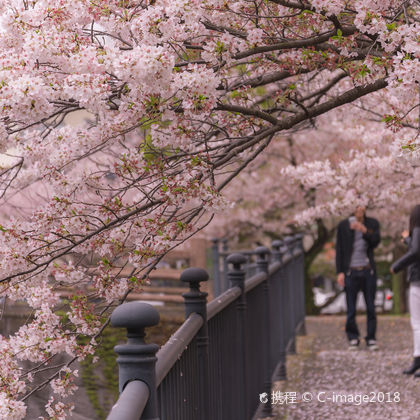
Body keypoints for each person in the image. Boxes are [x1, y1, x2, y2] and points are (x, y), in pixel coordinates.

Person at [336, 205, 381, 350]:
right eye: (356, 207)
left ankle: (371, 338)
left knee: (371, 307)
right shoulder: (343, 226)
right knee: (351, 308)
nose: (359, 210)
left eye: (361, 207)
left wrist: (364, 230)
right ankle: (353, 337)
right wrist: (340, 272)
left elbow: (376, 242)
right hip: (351, 271)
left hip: (368, 271)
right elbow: (339, 249)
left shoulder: (372, 223)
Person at [391, 204, 420, 376]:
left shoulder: (417, 229)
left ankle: (418, 358)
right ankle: (417, 359)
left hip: (418, 281)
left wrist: (397, 265)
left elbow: (416, 251)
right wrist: (408, 240)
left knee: (417, 322)